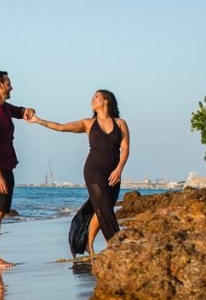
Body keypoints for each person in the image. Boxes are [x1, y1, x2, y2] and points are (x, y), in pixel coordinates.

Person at [27, 90, 130, 256]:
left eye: (96, 97)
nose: (92, 99)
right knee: (103, 207)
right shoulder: (88, 124)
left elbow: (125, 150)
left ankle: (88, 244)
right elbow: (61, 127)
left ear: (106, 101)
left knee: (103, 208)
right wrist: (38, 120)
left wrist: (119, 169)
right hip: (93, 171)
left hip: (113, 173)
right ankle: (116, 244)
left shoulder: (120, 124)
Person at [0, 71, 34, 268]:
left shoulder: (3, 108)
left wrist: (26, 111)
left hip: (6, 165)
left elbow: (17, 111)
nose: (11, 87)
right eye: (9, 84)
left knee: (1, 212)